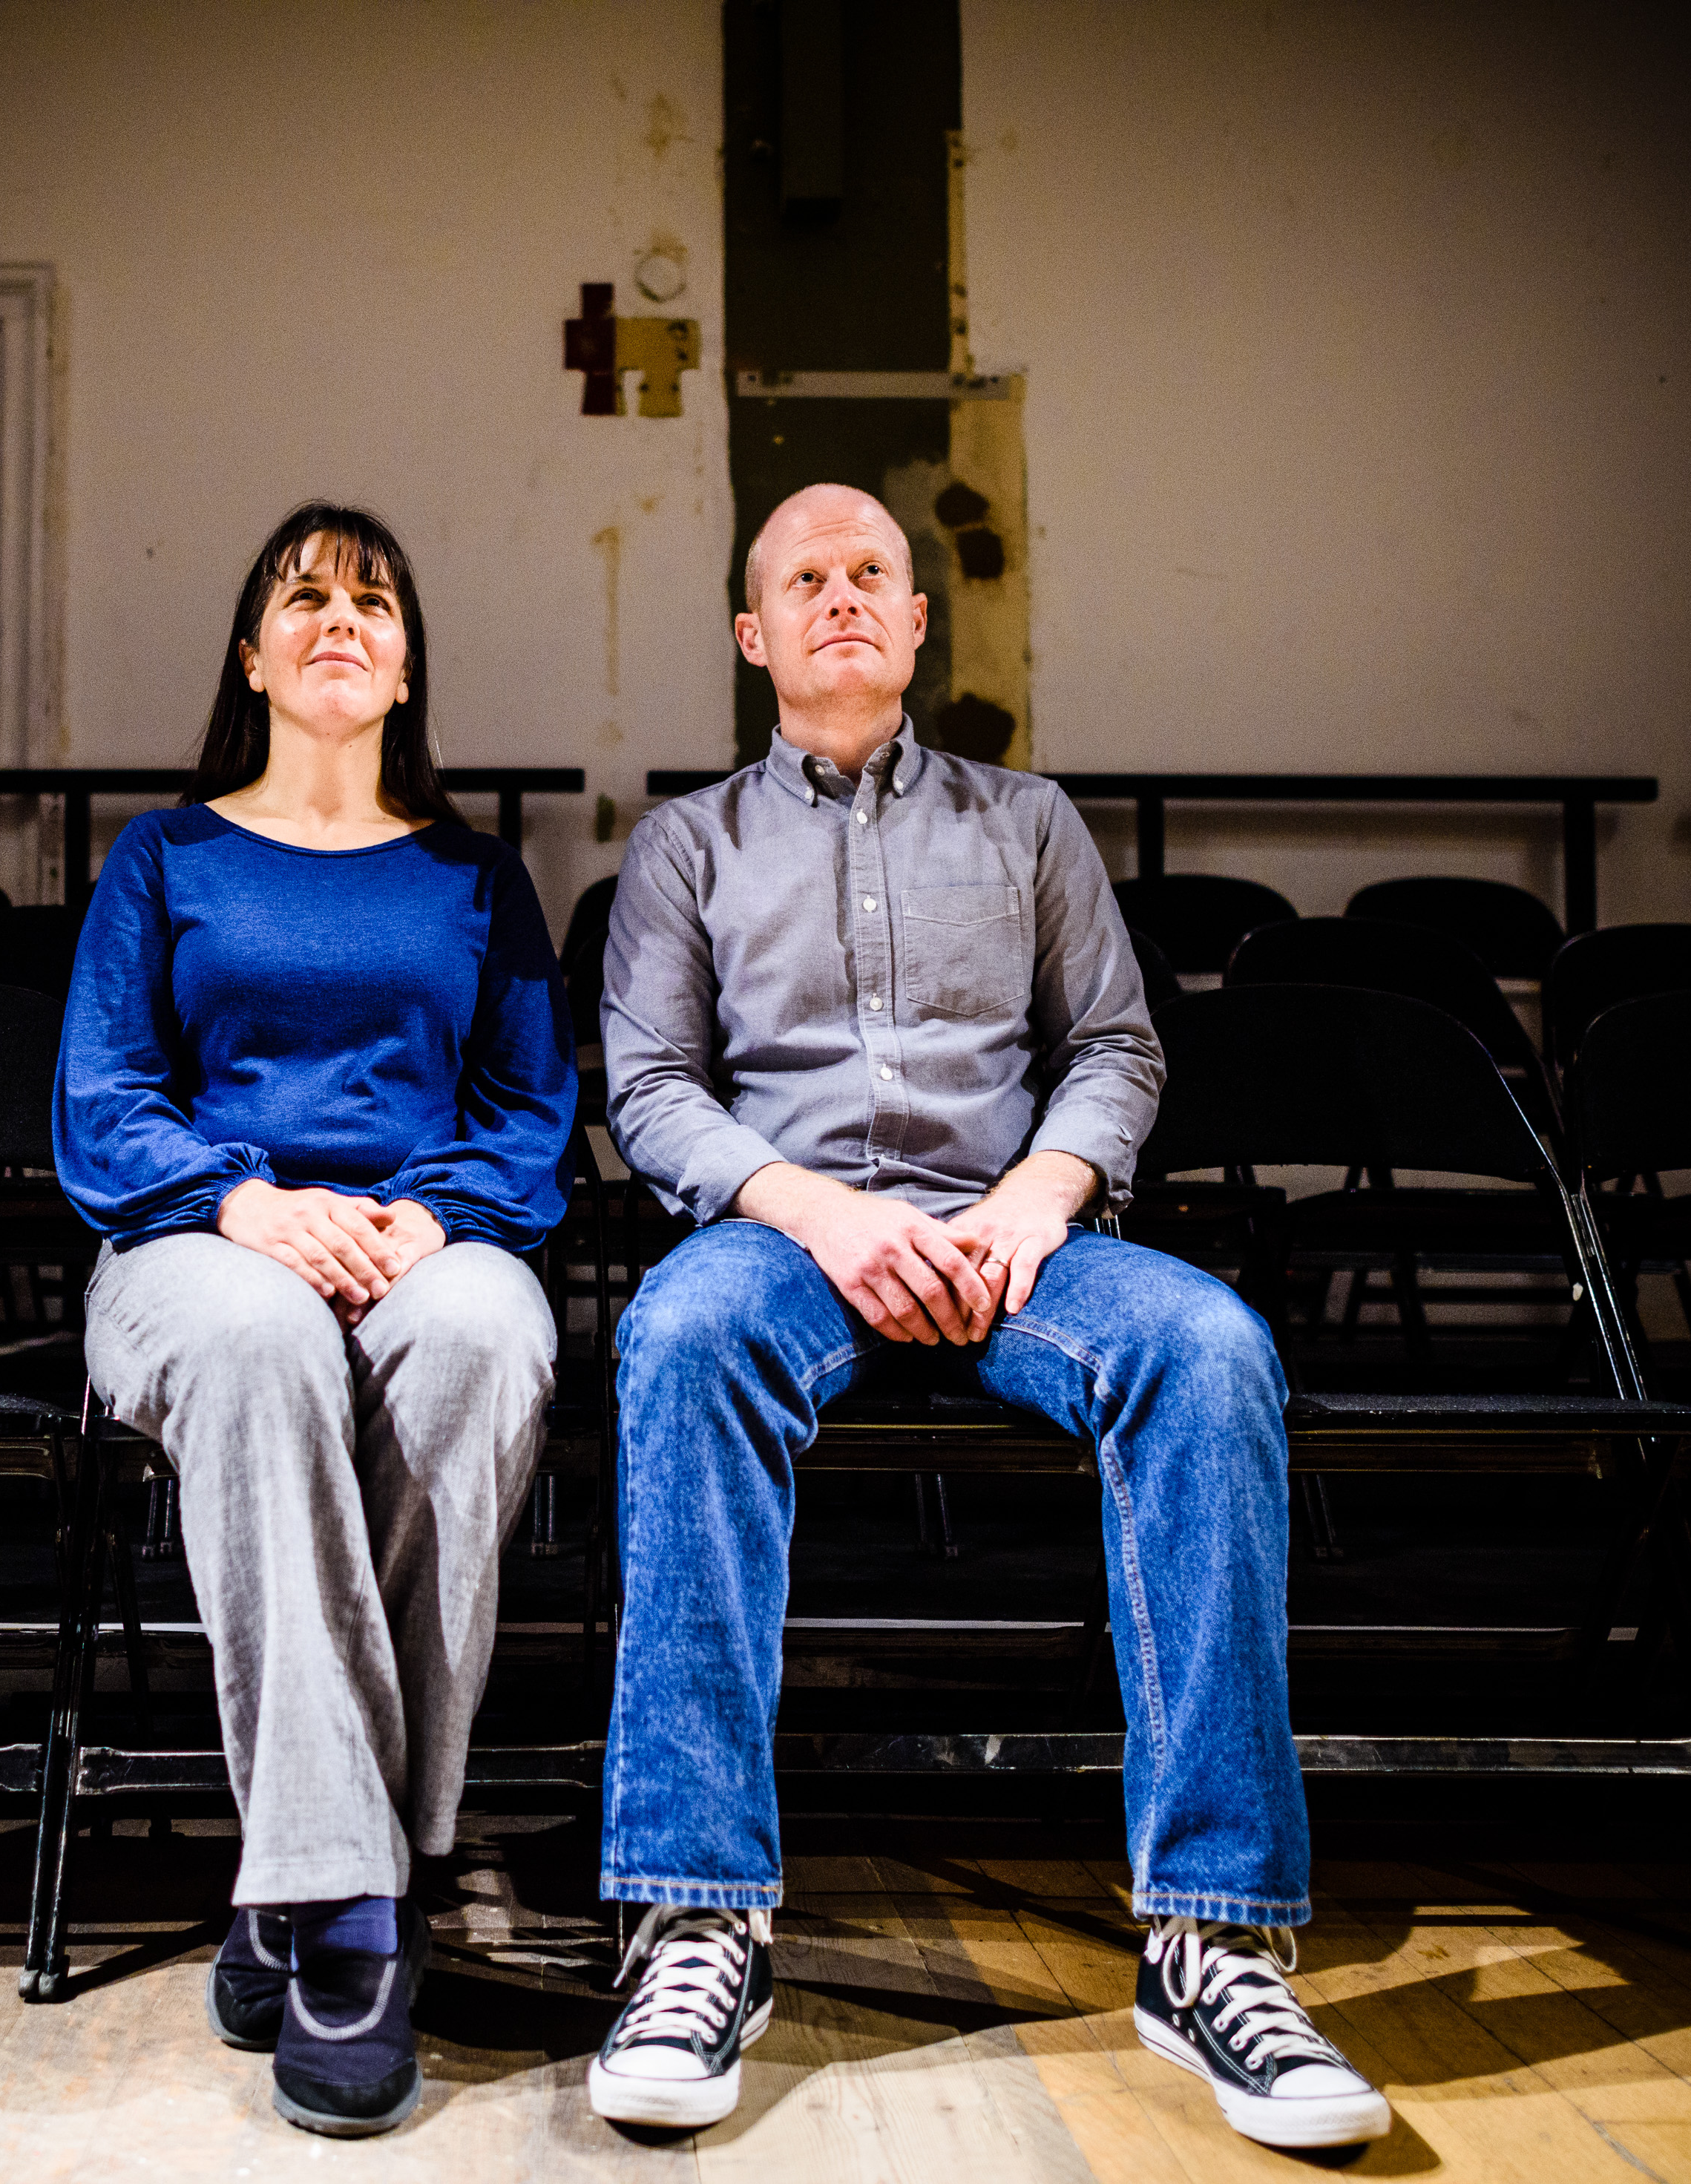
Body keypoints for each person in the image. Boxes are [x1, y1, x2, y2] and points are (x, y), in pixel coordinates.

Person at [585, 484, 1390, 2151]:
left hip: (1014, 1238)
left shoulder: (1029, 822)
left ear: (915, 622)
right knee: (675, 1338)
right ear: (753, 637)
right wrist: (819, 1210)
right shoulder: (685, 844)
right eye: (804, 578)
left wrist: (1035, 1198)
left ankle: (1213, 1941)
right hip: (789, 1239)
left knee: (1212, 1350)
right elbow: (651, 1088)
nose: (840, 595)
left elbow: (1118, 1046)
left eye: (870, 572)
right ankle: (696, 1916)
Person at [57, 502, 576, 2139]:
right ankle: (356, 1902)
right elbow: (103, 1099)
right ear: (252, 656)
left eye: (372, 600)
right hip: (199, 1244)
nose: (338, 618)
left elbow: (527, 1109)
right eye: (303, 597)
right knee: (262, 1338)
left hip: (424, 1231)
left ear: (407, 664)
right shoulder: (165, 858)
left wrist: (427, 1218)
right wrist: (246, 1205)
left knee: (485, 1336)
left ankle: (302, 1883)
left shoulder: (474, 875)